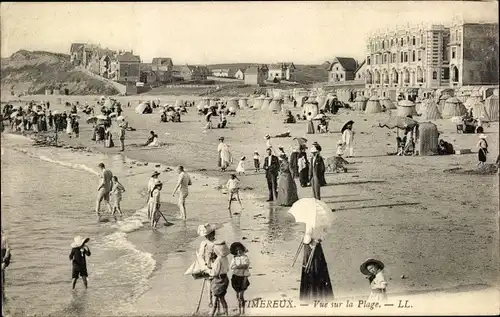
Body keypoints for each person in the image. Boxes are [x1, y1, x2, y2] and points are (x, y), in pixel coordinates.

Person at [299, 226, 333, 301]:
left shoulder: (311, 221)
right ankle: (321, 295)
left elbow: (307, 240)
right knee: (318, 268)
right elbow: (325, 231)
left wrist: (310, 237)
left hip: (311, 248)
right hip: (315, 247)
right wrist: (319, 239)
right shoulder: (320, 221)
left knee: (312, 269)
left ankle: (310, 296)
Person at [209, 241, 230, 316]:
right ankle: (226, 314)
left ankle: (212, 314)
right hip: (225, 279)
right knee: (222, 298)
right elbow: (227, 269)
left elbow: (215, 272)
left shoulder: (218, 260)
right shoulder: (225, 258)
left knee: (215, 299)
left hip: (218, 280)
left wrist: (209, 272)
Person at [230, 242, 251, 315]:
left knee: (241, 296)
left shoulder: (245, 258)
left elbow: (246, 267)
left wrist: (238, 267)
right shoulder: (234, 258)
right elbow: (232, 267)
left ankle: (243, 312)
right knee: (237, 296)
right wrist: (239, 266)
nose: (238, 252)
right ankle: (239, 311)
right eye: (237, 250)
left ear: (242, 250)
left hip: (243, 278)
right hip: (235, 278)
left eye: (240, 250)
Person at [1, 230, 11, 301]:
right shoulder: (4, 237)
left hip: (3, 258)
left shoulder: (4, 238)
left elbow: (8, 250)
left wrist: (5, 260)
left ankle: (3, 294)